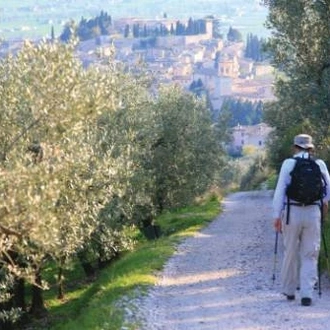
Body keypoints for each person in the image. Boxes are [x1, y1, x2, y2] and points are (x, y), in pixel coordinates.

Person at [272, 134, 330, 306]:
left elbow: (280, 190)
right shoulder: (319, 165)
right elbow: (328, 191)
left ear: (295, 147)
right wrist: (323, 208)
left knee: (290, 251)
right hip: (313, 212)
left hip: (292, 212)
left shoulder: (288, 164)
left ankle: (289, 290)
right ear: (311, 148)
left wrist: (276, 215)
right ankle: (307, 294)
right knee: (310, 253)